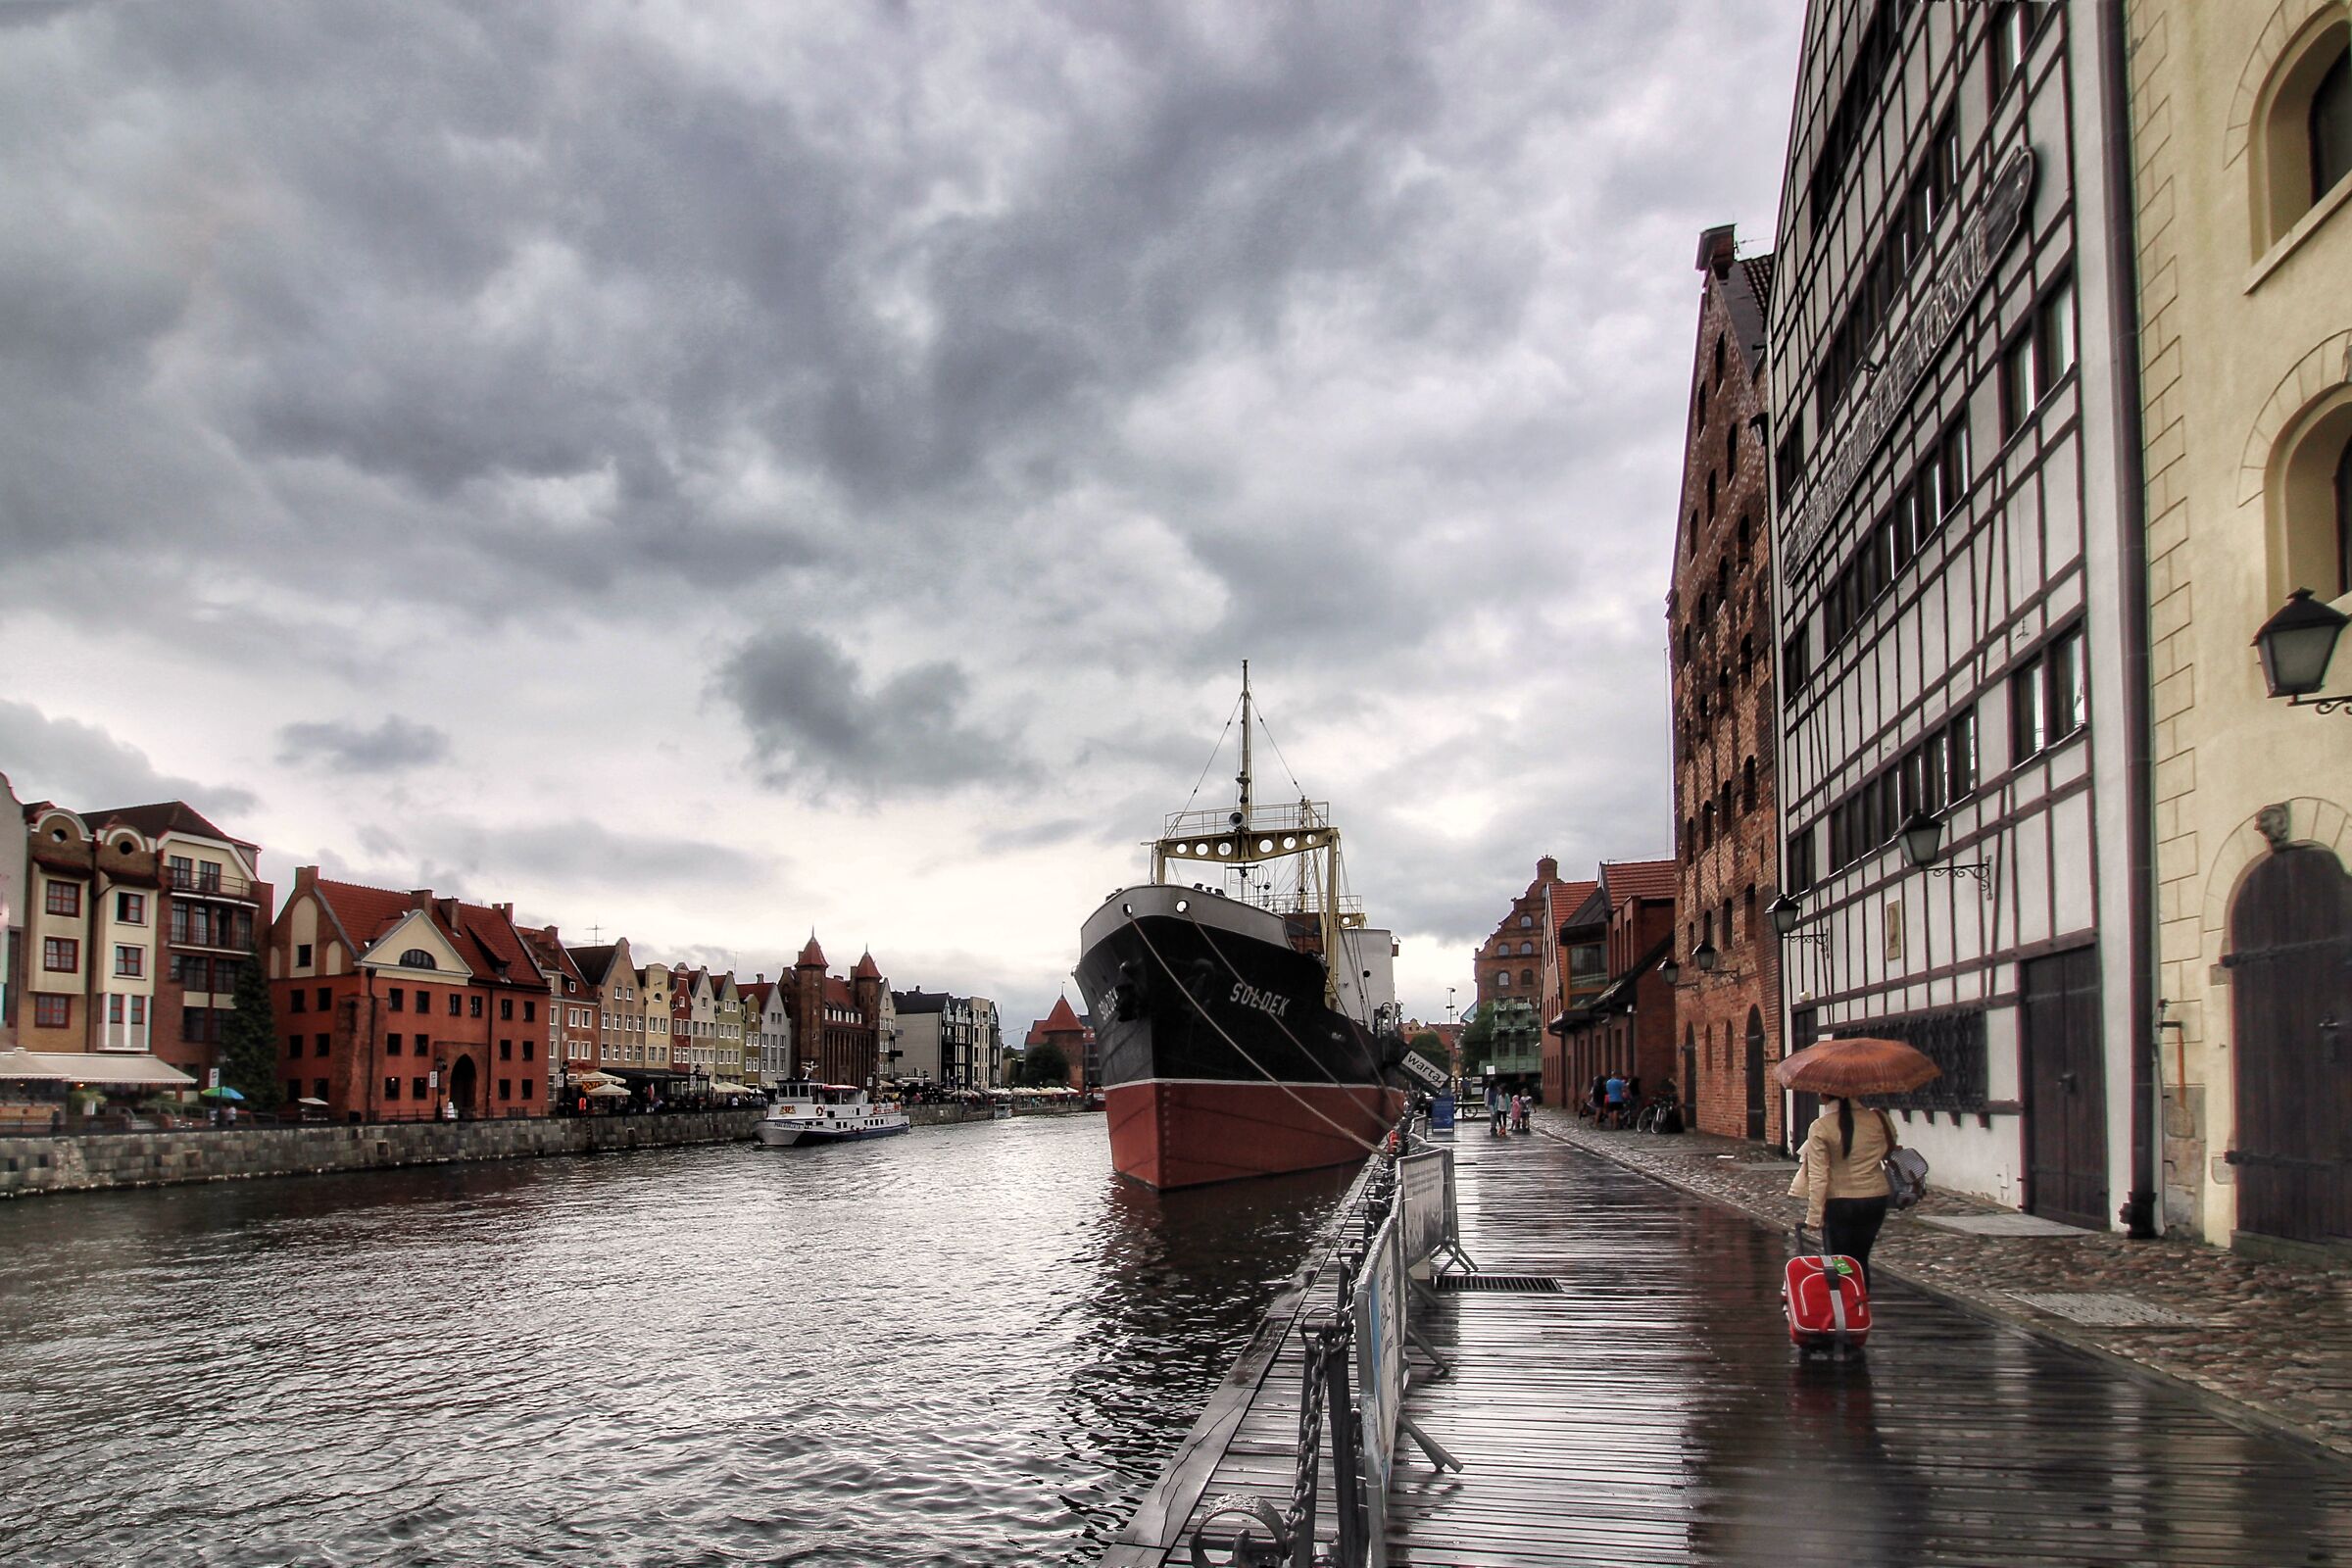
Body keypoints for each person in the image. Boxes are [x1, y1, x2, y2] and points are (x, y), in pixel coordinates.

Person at [1790, 1095, 1895, 1291]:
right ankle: (1861, 1302)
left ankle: (1845, 1304)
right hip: (1874, 1198)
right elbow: (1889, 1149)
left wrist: (1814, 1216)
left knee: (1840, 1260)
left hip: (1839, 1202)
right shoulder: (1879, 1119)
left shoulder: (1821, 1126)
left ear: (1824, 1096)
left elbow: (1819, 1175)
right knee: (1861, 1256)